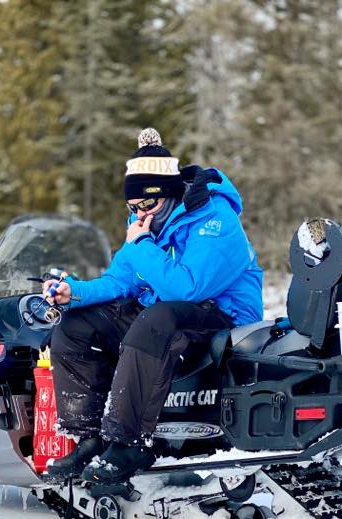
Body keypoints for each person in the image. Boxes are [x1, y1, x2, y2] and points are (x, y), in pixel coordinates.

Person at [42, 128, 263, 495]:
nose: (140, 213)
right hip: (165, 314)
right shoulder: (145, 221)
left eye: (148, 204)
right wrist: (74, 293)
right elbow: (121, 280)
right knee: (77, 327)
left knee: (154, 319)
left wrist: (142, 243)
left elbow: (188, 288)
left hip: (222, 316)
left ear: (172, 192)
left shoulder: (215, 218)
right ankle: (91, 437)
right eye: (133, 208)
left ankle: (128, 444)